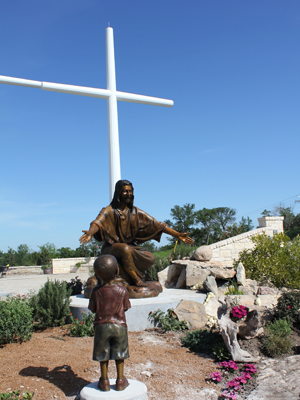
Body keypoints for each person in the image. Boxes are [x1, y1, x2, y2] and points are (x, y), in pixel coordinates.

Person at [80, 179, 194, 287]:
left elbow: (158, 224)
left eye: (130, 191)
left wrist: (177, 235)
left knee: (150, 258)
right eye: (125, 191)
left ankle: (125, 275)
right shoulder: (108, 210)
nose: (128, 194)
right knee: (125, 249)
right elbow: (97, 223)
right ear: (119, 193)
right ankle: (135, 279)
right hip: (111, 248)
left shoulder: (135, 212)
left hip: (128, 247)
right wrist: (90, 232)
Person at [88, 255, 131, 392]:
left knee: (103, 355)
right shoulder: (123, 290)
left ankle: (104, 381)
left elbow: (93, 309)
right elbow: (125, 307)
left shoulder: (95, 291)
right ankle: (120, 380)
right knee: (120, 354)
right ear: (117, 271)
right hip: (119, 326)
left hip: (101, 326)